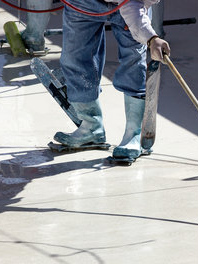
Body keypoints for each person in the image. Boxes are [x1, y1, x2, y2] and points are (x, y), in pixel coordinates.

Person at [53, 0, 170, 161]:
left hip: (129, 5)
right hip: (81, 2)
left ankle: (133, 134)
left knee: (133, 63)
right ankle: (91, 127)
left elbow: (132, 8)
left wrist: (151, 38)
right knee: (74, 58)